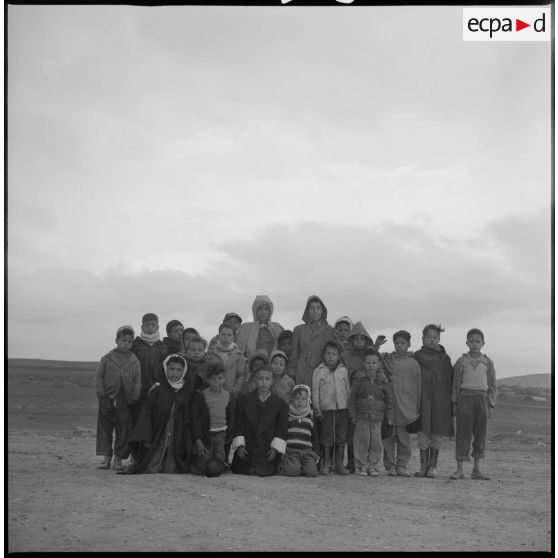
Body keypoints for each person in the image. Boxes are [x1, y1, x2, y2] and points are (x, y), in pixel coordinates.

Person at [123, 354, 192, 474]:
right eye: (171, 369)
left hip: (177, 430)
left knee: (171, 466)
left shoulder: (185, 390)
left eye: (178, 370)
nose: (174, 373)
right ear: (166, 368)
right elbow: (148, 412)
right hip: (159, 429)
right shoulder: (158, 388)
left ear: (184, 371)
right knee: (155, 455)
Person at [450, 328, 497, 481]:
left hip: (482, 400)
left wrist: (490, 404)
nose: (475, 344)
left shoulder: (488, 362)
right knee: (463, 435)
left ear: (483, 343)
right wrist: (454, 403)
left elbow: (492, 385)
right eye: (471, 341)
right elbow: (455, 384)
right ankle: (459, 469)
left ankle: (477, 469)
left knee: (480, 435)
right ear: (467, 343)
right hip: (465, 399)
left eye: (478, 341)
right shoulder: (461, 361)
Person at [95, 325, 141, 471]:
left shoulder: (134, 360)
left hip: (125, 400)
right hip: (107, 398)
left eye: (129, 341)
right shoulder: (107, 358)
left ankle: (118, 459)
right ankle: (106, 458)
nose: (126, 343)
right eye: (123, 340)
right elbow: (99, 377)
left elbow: (138, 379)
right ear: (116, 340)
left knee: (124, 430)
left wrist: (135, 395)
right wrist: (101, 394)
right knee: (105, 428)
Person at [229, 367, 289, 476]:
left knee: (267, 468)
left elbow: (281, 428)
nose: (264, 382)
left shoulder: (280, 404)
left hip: (267, 449)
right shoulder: (244, 400)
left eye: (267, 379)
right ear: (255, 380)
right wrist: (240, 445)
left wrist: (275, 448)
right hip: (247, 448)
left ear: (272, 381)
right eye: (260, 379)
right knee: (242, 466)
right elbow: (238, 423)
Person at [412, 324, 454, 478]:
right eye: (429, 337)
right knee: (423, 436)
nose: (432, 340)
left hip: (440, 402)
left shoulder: (444, 359)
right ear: (423, 339)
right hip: (422, 401)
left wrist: (450, 401)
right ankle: (423, 467)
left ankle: (433, 467)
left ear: (439, 339)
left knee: (437, 435)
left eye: (435, 337)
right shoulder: (416, 356)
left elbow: (450, 380)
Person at [380, 330, 421, 477]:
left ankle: (402, 465)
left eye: (402, 343)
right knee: (388, 438)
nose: (399, 346)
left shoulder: (414, 363)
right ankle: (390, 466)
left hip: (406, 405)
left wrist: (415, 405)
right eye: (396, 343)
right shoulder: (388, 359)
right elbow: (375, 361)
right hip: (390, 404)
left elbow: (417, 385)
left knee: (404, 440)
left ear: (408, 344)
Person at [348, 348, 393, 476]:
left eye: (374, 363)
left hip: (377, 417)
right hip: (361, 416)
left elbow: (389, 400)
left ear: (379, 364)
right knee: (362, 441)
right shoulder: (359, 381)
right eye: (368, 363)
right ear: (363, 364)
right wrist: (352, 414)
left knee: (376, 442)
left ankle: (373, 466)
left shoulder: (383, 381)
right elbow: (352, 398)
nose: (371, 366)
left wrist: (390, 416)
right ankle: (362, 466)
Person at [312, 340, 351, 475]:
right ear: (323, 355)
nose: (330, 356)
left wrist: (349, 407)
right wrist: (317, 409)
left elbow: (348, 389)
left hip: (342, 409)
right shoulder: (318, 371)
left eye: (334, 354)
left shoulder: (343, 371)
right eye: (328, 353)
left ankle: (339, 464)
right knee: (327, 436)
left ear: (339, 356)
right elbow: (315, 390)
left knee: (341, 436)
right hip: (326, 410)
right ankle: (326, 463)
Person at [189, 362, 232, 477]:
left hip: (221, 434)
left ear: (224, 379)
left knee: (220, 458)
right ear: (207, 380)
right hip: (206, 434)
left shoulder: (227, 395)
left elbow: (229, 416)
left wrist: (229, 434)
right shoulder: (201, 395)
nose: (217, 381)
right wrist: (198, 440)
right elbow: (195, 419)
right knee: (204, 460)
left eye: (220, 378)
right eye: (213, 378)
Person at [288, 295, 337, 388]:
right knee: (302, 398)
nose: (315, 311)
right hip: (301, 370)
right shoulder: (298, 330)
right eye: (311, 308)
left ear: (322, 311)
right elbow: (294, 353)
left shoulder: (329, 330)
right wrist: (291, 372)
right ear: (307, 311)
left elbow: (335, 351)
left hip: (321, 369)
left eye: (318, 308)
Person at [278, 384, 320, 477]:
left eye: (303, 399)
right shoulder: (288, 416)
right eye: (297, 398)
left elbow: (315, 438)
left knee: (312, 473)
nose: (299, 402)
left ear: (308, 400)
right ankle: (291, 466)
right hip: (292, 451)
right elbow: (283, 434)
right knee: (292, 472)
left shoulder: (311, 417)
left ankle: (301, 467)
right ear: (292, 399)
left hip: (307, 451)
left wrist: (316, 453)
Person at [235, 295, 284, 362]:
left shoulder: (277, 328)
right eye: (260, 309)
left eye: (266, 309)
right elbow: (238, 350)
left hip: (273, 367)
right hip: (250, 366)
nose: (263, 312)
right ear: (255, 310)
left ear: (270, 311)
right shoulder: (245, 328)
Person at [206, 322, 247, 398]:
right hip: (213, 393)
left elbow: (241, 375)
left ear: (233, 337)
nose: (226, 337)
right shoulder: (211, 352)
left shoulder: (239, 355)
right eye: (223, 335)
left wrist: (235, 390)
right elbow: (207, 373)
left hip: (231, 394)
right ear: (218, 336)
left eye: (229, 335)